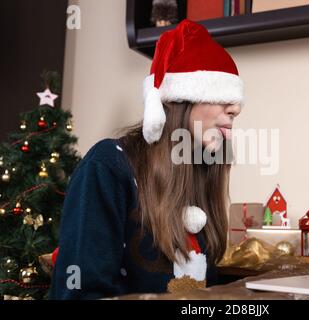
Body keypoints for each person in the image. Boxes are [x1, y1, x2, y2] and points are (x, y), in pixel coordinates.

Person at [50, 19, 244, 299]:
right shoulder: (107, 167)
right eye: (221, 96)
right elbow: (79, 292)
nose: (235, 108)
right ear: (180, 100)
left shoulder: (201, 173)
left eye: (237, 100)